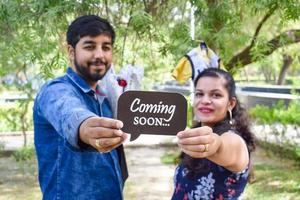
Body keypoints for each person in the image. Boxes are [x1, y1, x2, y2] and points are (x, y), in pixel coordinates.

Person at [33, 15, 129, 200]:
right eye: (90, 46)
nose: (100, 55)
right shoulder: (54, 91)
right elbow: (68, 111)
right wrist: (85, 126)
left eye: (106, 47)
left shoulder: (107, 98)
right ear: (71, 51)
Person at [172, 68, 256, 199]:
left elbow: (222, 146)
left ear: (231, 103)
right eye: (199, 94)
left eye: (216, 95)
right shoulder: (195, 133)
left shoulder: (234, 139)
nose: (205, 100)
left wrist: (214, 145)